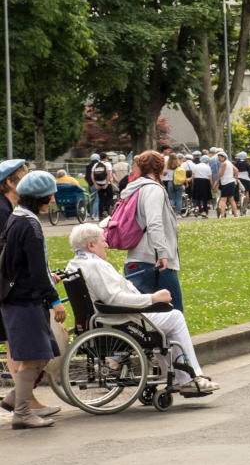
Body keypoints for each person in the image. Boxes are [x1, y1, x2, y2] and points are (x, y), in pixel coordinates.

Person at [67, 223, 218, 395]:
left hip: (106, 319)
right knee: (174, 317)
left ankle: (179, 378)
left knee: (164, 322)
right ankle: (190, 378)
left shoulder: (75, 264)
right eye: (103, 241)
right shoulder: (96, 265)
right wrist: (152, 298)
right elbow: (115, 299)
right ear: (91, 245)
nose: (107, 245)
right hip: (119, 319)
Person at [0, 171, 65, 429]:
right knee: (33, 355)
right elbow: (37, 270)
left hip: (15, 296)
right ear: (41, 198)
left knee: (43, 352)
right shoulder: (32, 225)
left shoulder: (17, 217)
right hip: (24, 299)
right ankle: (23, 413)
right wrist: (55, 300)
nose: (52, 201)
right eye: (50, 196)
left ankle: (16, 398)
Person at [120, 151, 187, 311]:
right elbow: (154, 222)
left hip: (136, 259)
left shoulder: (135, 188)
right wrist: (162, 253)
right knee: (174, 311)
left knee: (146, 315)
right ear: (161, 167)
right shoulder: (153, 189)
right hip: (154, 261)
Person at [214, 151, 240, 218]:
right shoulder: (229, 163)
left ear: (224, 157)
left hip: (226, 182)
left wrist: (216, 182)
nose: (219, 159)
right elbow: (236, 170)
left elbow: (221, 174)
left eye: (220, 157)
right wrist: (236, 178)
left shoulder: (224, 163)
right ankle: (236, 214)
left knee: (223, 199)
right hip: (231, 181)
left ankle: (222, 215)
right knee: (231, 199)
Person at [190, 153, 213, 218]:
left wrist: (193, 184)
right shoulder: (208, 167)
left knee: (198, 196)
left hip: (197, 181)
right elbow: (210, 177)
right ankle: (204, 212)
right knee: (205, 198)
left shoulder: (195, 166)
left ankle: (197, 207)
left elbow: (193, 176)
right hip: (205, 182)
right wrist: (212, 185)